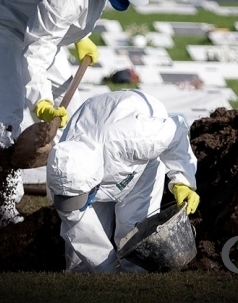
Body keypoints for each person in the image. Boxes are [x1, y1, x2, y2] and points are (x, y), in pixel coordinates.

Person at [0, 0, 150, 223]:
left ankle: (69, 191)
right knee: (7, 112)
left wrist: (80, 36)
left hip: (36, 27)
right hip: (0, 24)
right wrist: (40, 100)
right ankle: (0, 203)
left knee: (74, 108)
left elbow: (62, 15)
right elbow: (37, 48)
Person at [46, 90, 200, 273]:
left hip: (139, 158)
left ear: (95, 181)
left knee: (133, 224)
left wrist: (182, 180)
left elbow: (176, 131)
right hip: (96, 131)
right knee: (82, 247)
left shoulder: (139, 139)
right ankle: (82, 276)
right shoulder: (62, 170)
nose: (76, 204)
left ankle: (136, 275)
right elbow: (80, 229)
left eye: (82, 195)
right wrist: (108, 272)